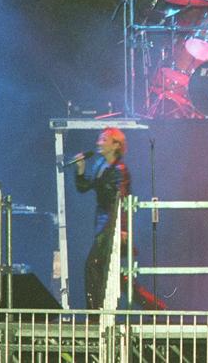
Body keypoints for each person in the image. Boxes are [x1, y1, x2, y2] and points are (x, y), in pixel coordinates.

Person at [75, 128, 131, 308]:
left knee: (93, 265)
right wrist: (81, 170)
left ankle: (94, 315)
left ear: (116, 145)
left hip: (111, 222)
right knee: (107, 271)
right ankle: (155, 306)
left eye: (104, 139)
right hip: (101, 221)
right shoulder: (100, 165)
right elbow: (84, 187)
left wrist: (122, 228)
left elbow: (121, 201)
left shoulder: (120, 170)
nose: (99, 143)